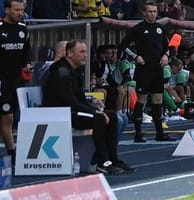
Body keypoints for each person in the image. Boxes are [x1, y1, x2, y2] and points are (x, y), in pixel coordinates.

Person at [42, 40, 129, 174]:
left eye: (86, 52)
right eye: (81, 52)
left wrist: (95, 108)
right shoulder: (62, 72)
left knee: (112, 116)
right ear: (70, 53)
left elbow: (80, 97)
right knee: (98, 119)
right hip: (61, 113)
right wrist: (94, 112)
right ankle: (101, 162)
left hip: (70, 110)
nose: (85, 55)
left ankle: (113, 159)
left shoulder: (74, 71)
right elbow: (69, 101)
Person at [120, 1, 172, 142]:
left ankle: (160, 133)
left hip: (157, 69)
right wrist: (135, 56)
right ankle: (138, 133)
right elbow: (124, 45)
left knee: (158, 100)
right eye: (150, 11)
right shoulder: (138, 28)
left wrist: (166, 55)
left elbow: (167, 47)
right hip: (144, 69)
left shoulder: (160, 28)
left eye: (154, 11)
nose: (152, 14)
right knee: (142, 99)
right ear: (144, 13)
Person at [0, 0, 29, 166]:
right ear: (7, 10)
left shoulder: (23, 29)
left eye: (22, 10)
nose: (20, 13)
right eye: (17, 10)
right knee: (7, 116)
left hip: (17, 81)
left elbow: (26, 54)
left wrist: (27, 66)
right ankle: (12, 153)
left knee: (13, 117)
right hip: (2, 80)